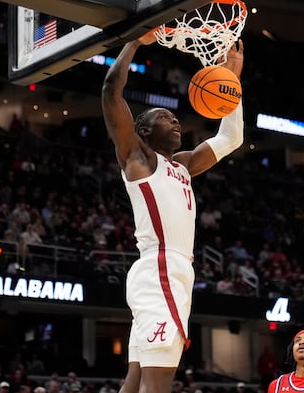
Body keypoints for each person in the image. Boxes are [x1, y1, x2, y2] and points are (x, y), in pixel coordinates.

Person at [101, 29, 244, 393]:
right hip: (160, 269)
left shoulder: (182, 166)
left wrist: (232, 82)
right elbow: (109, 92)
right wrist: (133, 42)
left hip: (171, 272)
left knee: (136, 379)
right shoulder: (138, 158)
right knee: (159, 379)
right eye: (166, 116)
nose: (177, 120)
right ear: (144, 129)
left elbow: (230, 139)